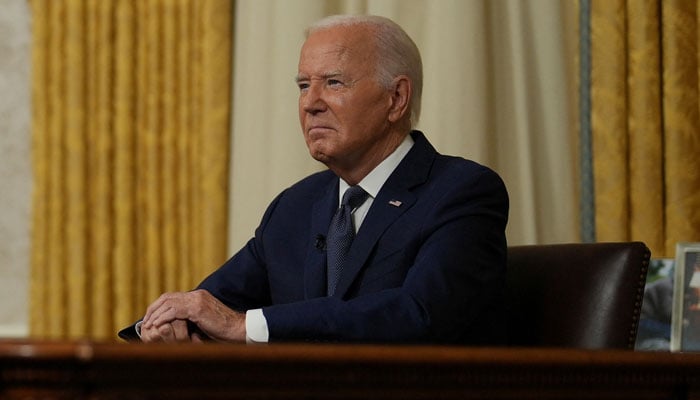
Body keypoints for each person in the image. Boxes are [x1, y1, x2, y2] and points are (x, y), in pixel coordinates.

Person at [119, 14, 509, 344]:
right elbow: (214, 303)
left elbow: (419, 313)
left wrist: (246, 325)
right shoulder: (296, 206)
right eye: (304, 85)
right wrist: (167, 325)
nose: (310, 103)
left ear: (396, 98)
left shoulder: (461, 192)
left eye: (333, 82)